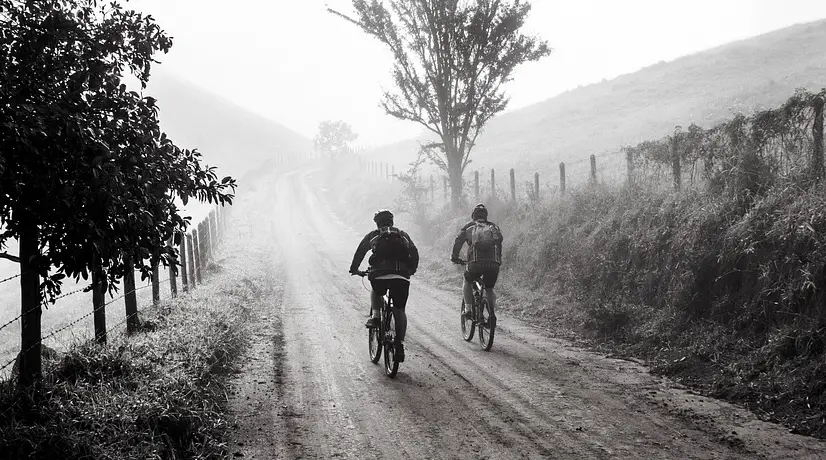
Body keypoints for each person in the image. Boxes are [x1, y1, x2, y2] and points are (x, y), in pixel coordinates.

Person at [349, 209, 419, 362]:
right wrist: (411, 270)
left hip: (379, 275)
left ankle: (375, 316)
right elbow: (414, 252)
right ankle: (399, 344)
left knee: (376, 289)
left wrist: (354, 269)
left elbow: (360, 251)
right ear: (392, 221)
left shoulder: (374, 235)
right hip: (401, 276)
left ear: (377, 223)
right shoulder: (403, 235)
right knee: (400, 310)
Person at [451, 203, 503, 321]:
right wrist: (499, 259)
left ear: (473, 216)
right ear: (486, 216)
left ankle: (468, 309)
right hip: (493, 264)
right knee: (489, 288)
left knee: (467, 280)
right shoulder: (493, 227)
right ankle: (491, 314)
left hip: (475, 263)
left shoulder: (469, 227)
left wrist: (454, 257)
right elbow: (499, 242)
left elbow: (458, 241)